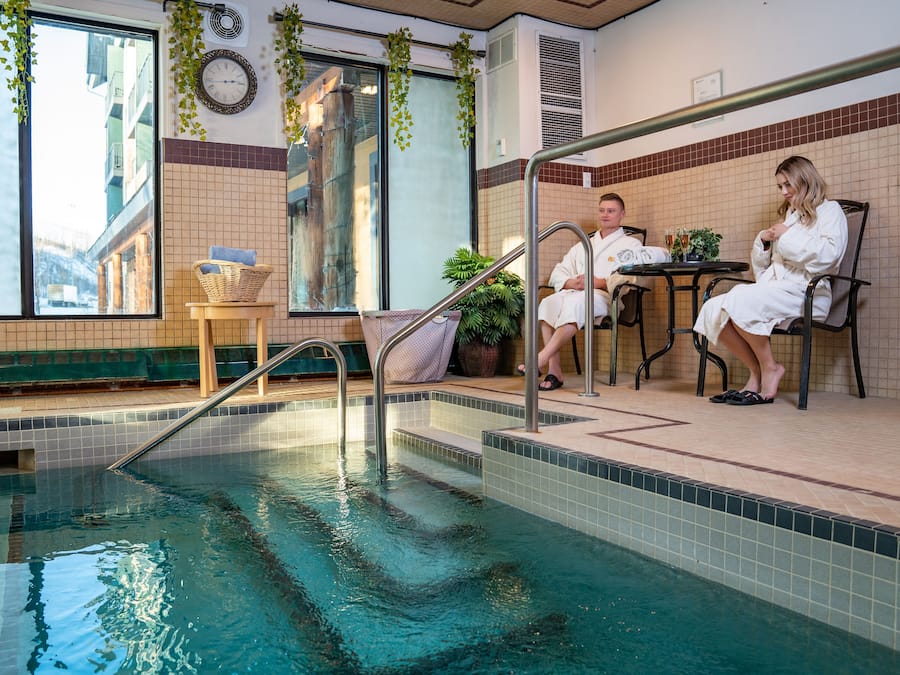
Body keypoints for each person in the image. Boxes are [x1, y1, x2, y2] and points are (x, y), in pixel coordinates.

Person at [694, 156, 848, 405]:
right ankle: (757, 372)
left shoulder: (830, 211)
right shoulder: (792, 215)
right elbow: (769, 271)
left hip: (808, 293)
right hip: (779, 291)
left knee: (740, 298)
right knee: (712, 307)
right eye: (780, 186)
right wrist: (763, 244)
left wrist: (786, 237)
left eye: (788, 184)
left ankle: (770, 369)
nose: (784, 192)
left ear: (805, 180)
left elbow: (829, 258)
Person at [519, 192, 643, 391]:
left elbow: (632, 276)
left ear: (622, 214)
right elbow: (559, 271)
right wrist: (570, 283)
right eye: (602, 210)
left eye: (611, 211)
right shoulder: (584, 244)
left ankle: (539, 359)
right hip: (576, 293)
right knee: (548, 303)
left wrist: (600, 282)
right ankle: (555, 370)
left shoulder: (631, 245)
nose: (605, 215)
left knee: (578, 304)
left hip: (605, 297)